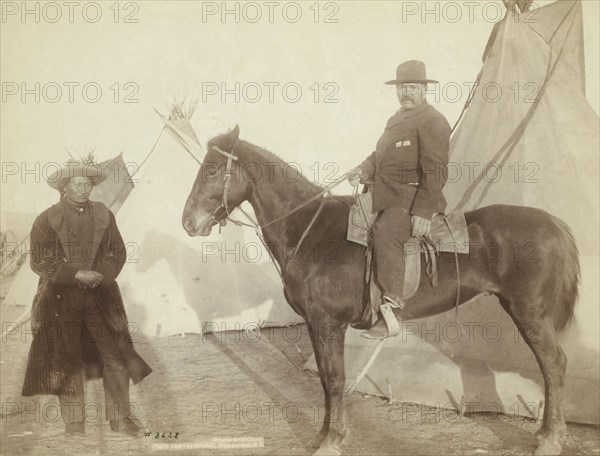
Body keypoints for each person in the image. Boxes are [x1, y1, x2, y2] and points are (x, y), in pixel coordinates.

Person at [21, 159, 152, 435]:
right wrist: (76, 274)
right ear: (65, 187)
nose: (83, 189)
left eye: (87, 184)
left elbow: (117, 252)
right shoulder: (46, 219)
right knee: (66, 361)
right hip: (59, 300)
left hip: (100, 298)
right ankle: (74, 424)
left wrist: (100, 276)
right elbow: (39, 260)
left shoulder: (104, 214)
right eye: (77, 183)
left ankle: (119, 419)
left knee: (115, 356)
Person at [348, 60, 451, 339]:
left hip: (410, 199)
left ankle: (392, 308)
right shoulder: (395, 120)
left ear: (424, 89)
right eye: (403, 87)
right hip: (385, 195)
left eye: (413, 87)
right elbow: (378, 156)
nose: (407, 93)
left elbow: (436, 170)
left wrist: (422, 212)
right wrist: (363, 169)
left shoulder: (433, 120)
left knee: (385, 233)